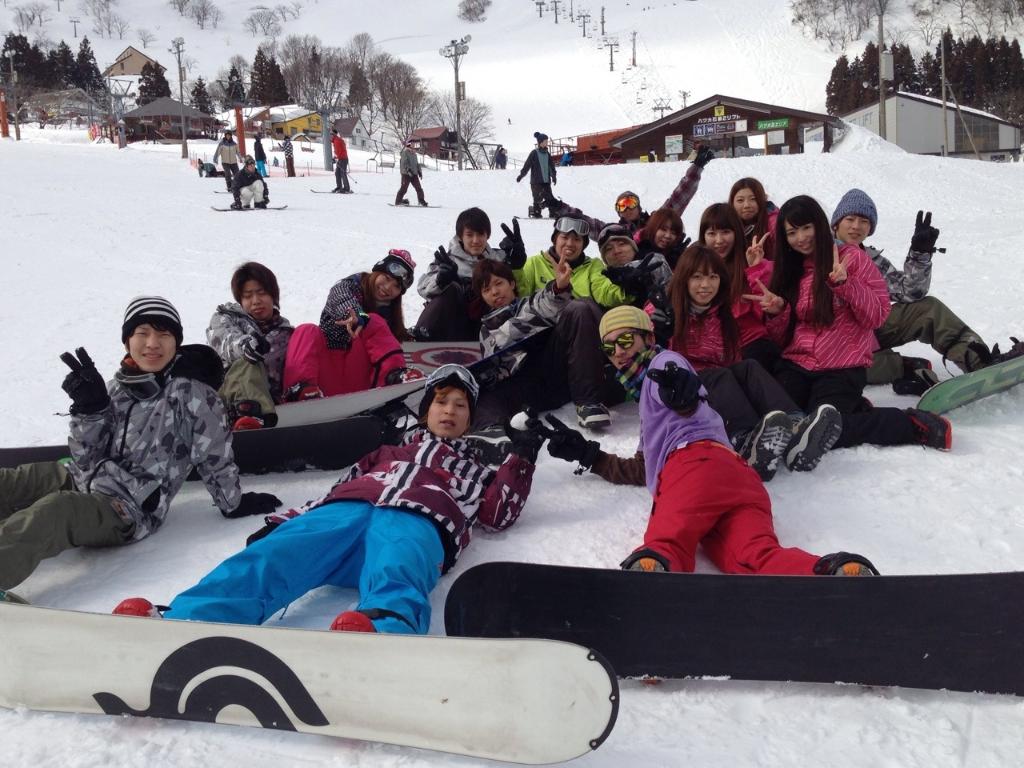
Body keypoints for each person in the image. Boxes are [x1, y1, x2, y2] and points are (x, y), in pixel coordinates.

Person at [114, 365, 545, 634]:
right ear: (425, 410)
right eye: (441, 402)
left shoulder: (475, 466)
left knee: (398, 565)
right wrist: (285, 522)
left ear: (470, 419)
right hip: (349, 510)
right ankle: (188, 618)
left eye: (460, 406)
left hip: (418, 518)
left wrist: (522, 456)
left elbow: (498, 514)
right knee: (275, 554)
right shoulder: (386, 452)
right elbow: (338, 487)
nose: (449, 410)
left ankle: (383, 631)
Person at [531, 307, 878, 577]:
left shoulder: (663, 366)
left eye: (625, 341)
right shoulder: (652, 411)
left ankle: (652, 577)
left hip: (692, 471)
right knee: (755, 555)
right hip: (738, 478)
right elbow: (641, 468)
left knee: (668, 544)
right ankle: (828, 574)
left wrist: (683, 395)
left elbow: (681, 385)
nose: (618, 353)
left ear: (648, 338)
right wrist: (589, 455)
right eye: (609, 347)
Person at [0, 296, 281, 595]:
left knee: (56, 511)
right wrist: (90, 410)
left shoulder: (192, 393)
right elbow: (85, 458)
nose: (152, 343)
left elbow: (214, 452)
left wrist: (232, 502)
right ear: (127, 340)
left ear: (176, 342)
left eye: (164, 334)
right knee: (12, 481)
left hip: (127, 505)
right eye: (142, 333)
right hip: (82, 478)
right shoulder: (116, 388)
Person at [747, 195, 952, 453]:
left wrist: (846, 285)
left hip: (841, 367)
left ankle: (908, 424)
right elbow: (781, 338)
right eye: (792, 232)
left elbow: (877, 315)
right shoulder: (791, 270)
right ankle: (852, 407)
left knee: (823, 431)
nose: (801, 238)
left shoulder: (852, 258)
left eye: (807, 227)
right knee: (778, 421)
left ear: (821, 225)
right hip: (797, 365)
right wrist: (778, 313)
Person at [667, 245, 839, 478]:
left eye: (713, 277)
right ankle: (745, 439)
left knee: (748, 367)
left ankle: (795, 428)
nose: (705, 285)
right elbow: (640, 350)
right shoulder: (666, 309)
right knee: (721, 375)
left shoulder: (720, 314)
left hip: (714, 390)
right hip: (681, 392)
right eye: (697, 277)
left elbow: (732, 358)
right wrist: (660, 331)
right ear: (684, 278)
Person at [830, 189, 1023, 394]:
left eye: (864, 221)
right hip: (831, 340)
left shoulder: (871, 259)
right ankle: (899, 366)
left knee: (928, 309)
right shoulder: (819, 252)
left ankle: (980, 362)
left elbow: (909, 291)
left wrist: (920, 254)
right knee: (856, 368)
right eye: (850, 219)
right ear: (836, 224)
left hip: (869, 330)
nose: (856, 226)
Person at [472, 256, 615, 430]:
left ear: (512, 283)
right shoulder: (486, 330)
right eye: (487, 289)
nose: (495, 292)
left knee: (580, 306)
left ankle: (589, 403)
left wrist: (559, 286)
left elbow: (548, 302)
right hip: (527, 390)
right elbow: (496, 356)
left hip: (556, 374)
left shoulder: (531, 304)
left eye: (498, 283)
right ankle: (496, 434)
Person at [282, 250, 420, 399]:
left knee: (375, 321)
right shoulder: (348, 286)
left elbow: (390, 344)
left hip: (358, 378)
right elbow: (342, 299)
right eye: (386, 278)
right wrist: (356, 315)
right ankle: (300, 389)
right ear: (376, 272)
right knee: (306, 330)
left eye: (396, 286)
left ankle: (394, 376)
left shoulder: (388, 317)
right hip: (325, 372)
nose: (388, 287)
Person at [558, 144, 715, 241]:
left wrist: (697, 167)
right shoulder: (614, 232)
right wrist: (559, 207)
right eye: (622, 206)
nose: (627, 208)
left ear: (639, 206)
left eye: (631, 203)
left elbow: (679, 197)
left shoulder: (655, 221)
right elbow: (587, 223)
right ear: (618, 212)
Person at [206, 262, 294, 430]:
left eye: (262, 293)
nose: (256, 301)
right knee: (248, 362)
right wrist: (245, 346)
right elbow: (224, 340)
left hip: (274, 402)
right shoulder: (225, 318)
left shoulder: (287, 334)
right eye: (247, 296)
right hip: (229, 397)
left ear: (273, 296)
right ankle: (248, 416)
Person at [412, 207, 519, 342]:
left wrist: (517, 263)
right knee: (451, 289)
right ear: (460, 237)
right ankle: (421, 339)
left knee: (499, 290)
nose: (475, 240)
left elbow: (516, 289)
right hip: (452, 326)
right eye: (469, 235)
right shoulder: (447, 260)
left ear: (487, 236)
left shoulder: (498, 258)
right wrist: (440, 280)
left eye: (480, 234)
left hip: (487, 327)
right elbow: (422, 288)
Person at [697, 203, 781, 370]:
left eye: (725, 232)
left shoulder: (751, 263)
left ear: (736, 233)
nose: (719, 240)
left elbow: (765, 310)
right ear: (703, 236)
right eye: (712, 233)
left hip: (752, 346)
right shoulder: (694, 266)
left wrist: (756, 270)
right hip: (712, 351)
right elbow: (674, 294)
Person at [512, 215, 631, 310]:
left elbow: (604, 292)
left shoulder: (592, 266)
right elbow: (520, 295)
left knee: (581, 307)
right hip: (541, 327)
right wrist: (515, 269)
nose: (570, 244)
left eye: (577, 239)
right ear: (555, 240)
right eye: (564, 237)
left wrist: (629, 289)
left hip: (579, 325)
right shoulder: (535, 263)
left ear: (583, 245)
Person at [597, 223, 672, 310]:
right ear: (605, 258)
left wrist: (631, 270)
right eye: (609, 249)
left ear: (633, 247)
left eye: (621, 244)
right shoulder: (602, 280)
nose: (617, 251)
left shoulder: (653, 260)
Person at [730, 177, 778, 258]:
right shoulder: (727, 222)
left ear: (763, 199)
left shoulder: (774, 223)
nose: (746, 205)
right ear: (732, 203)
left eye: (753, 199)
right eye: (740, 200)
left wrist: (759, 264)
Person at [516, 132, 558, 219]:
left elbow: (551, 167)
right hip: (536, 181)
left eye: (547, 141)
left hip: (546, 181)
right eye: (545, 141)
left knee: (550, 197)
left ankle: (553, 213)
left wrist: (553, 177)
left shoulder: (547, 154)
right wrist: (521, 175)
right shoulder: (534, 153)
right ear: (540, 142)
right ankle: (536, 212)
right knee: (538, 198)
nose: (547, 143)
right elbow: (527, 165)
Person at [395, 140, 427, 206]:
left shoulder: (414, 154)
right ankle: (398, 201)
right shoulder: (405, 152)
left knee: (419, 188)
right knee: (404, 189)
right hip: (406, 174)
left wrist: (419, 171)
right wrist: (408, 170)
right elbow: (404, 163)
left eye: (414, 144)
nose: (414, 146)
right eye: (412, 144)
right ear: (409, 145)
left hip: (414, 174)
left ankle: (421, 201)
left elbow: (417, 164)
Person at [331, 128, 351, 194]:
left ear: (334, 134)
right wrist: (335, 157)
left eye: (331, 134)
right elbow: (337, 151)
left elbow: (339, 151)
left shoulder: (337, 141)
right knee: (337, 173)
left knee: (342, 173)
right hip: (341, 158)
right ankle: (339, 187)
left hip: (343, 159)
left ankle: (346, 189)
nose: (330, 136)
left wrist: (335, 158)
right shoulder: (335, 141)